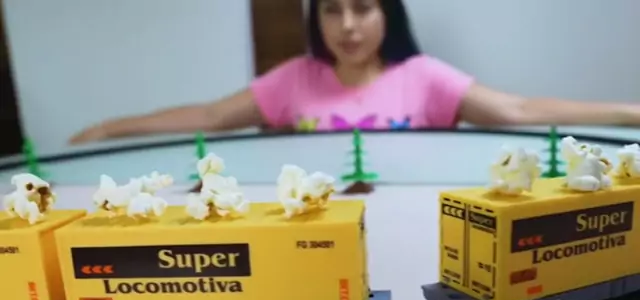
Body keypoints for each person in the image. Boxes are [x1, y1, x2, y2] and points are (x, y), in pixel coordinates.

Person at [69, 0, 640, 144]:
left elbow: (517, 110)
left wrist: (628, 112)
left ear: (387, 15)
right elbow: (213, 115)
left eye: (362, 8)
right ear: (315, 18)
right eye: (331, 10)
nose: (347, 26)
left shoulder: (424, 76)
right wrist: (113, 127)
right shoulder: (294, 78)